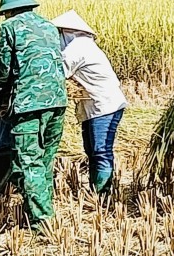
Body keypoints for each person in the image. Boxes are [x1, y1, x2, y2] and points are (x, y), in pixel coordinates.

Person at [0, 0, 67, 230]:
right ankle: (42, 207)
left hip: (28, 104)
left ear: (8, 11)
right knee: (45, 160)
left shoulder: (9, 28)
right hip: (57, 101)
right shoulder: (50, 26)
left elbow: (3, 70)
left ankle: (42, 223)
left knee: (29, 162)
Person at [51, 10, 128, 197]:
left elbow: (57, 73)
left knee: (100, 150)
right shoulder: (82, 45)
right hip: (95, 105)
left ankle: (103, 195)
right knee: (92, 149)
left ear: (65, 32)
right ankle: (97, 190)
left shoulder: (78, 47)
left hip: (104, 106)